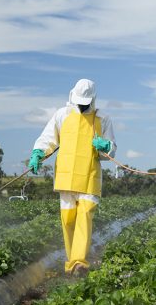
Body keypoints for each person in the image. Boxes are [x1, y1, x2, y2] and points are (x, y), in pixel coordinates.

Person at [28, 79, 116, 276]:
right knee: (68, 220)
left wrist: (105, 146)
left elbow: (111, 150)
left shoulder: (103, 119)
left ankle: (79, 263)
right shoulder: (62, 115)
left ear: (93, 99)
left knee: (85, 215)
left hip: (89, 175)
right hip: (66, 177)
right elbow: (48, 138)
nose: (82, 104)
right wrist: (37, 153)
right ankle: (71, 265)